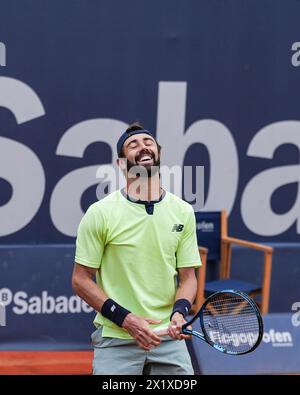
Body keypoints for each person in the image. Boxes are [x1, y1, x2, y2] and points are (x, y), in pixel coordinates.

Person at [72, 122, 201, 375]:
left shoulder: (183, 212)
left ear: (158, 153)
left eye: (148, 142)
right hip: (117, 338)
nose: (143, 146)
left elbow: (188, 278)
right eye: (133, 144)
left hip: (167, 338)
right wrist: (127, 320)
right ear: (122, 163)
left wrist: (180, 312)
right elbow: (80, 280)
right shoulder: (100, 213)